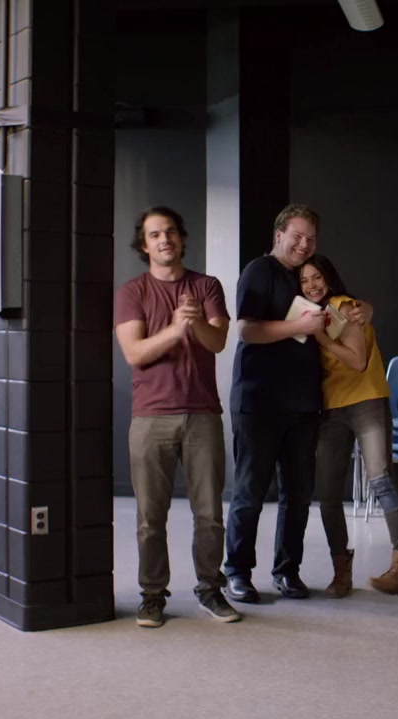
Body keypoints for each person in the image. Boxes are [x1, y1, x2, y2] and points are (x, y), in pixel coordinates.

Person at [113, 206, 239, 628]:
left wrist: (195, 322)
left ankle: (210, 589)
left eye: (170, 231)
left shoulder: (206, 285)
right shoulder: (132, 292)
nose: (164, 239)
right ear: (144, 245)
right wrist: (174, 329)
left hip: (202, 414)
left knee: (210, 514)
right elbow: (135, 353)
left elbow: (217, 341)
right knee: (150, 518)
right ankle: (152, 596)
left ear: (182, 238)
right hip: (151, 417)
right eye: (154, 234)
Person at [300, 254, 398, 598]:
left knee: (380, 478)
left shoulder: (343, 306)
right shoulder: (309, 315)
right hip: (331, 407)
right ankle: (341, 570)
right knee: (327, 493)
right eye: (304, 281)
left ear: (329, 277)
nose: (311, 285)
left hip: (366, 399)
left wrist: (324, 341)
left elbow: (357, 361)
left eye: (316, 277)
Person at [222, 203, 325, 604]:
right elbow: (246, 330)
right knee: (250, 492)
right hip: (259, 401)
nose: (304, 245)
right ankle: (237, 572)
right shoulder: (259, 270)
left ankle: (287, 571)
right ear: (278, 234)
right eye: (297, 236)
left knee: (298, 495)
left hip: (303, 403)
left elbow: (346, 304)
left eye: (311, 239)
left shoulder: (309, 275)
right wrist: (300, 326)